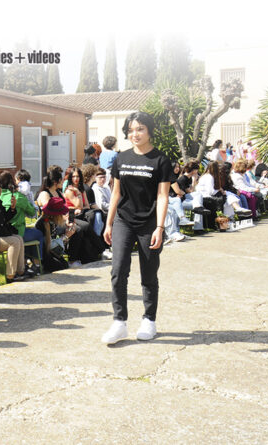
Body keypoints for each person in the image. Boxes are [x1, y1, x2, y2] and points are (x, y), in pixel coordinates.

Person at [101, 111, 171, 345]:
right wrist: (109, 223)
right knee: (118, 270)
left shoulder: (160, 160)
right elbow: (116, 193)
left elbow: (162, 196)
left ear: (149, 130)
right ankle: (119, 322)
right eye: (131, 130)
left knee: (148, 273)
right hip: (124, 220)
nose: (135, 134)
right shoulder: (121, 158)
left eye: (140, 129)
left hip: (149, 223)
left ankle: (149, 320)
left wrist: (159, 227)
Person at [0, 171, 44, 274]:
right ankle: (36, 264)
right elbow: (32, 212)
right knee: (38, 234)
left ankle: (25, 263)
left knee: (28, 235)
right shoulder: (17, 196)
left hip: (2, 232)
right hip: (17, 231)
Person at [0, 177, 29, 282]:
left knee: (19, 238)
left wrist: (12, 207)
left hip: (0, 235)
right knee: (14, 241)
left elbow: (5, 218)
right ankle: (10, 276)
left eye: (0, 186)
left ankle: (20, 271)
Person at [34, 197, 73, 273]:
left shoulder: (51, 221)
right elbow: (48, 246)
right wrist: (66, 236)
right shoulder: (43, 224)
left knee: (65, 264)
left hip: (50, 251)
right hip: (44, 254)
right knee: (60, 266)